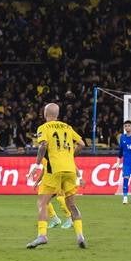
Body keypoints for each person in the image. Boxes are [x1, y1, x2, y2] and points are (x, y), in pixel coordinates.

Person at [25, 103, 86, 249]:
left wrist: (37, 165)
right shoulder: (67, 127)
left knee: (42, 203)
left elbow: (43, 145)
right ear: (57, 114)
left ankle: (42, 235)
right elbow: (82, 144)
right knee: (72, 205)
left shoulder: (43, 128)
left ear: (45, 114)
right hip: (70, 169)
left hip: (54, 170)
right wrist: (69, 156)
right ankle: (80, 236)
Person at [117, 120, 131, 205]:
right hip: (126, 163)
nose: (127, 127)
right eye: (125, 126)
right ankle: (125, 197)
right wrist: (118, 161)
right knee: (125, 179)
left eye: (129, 126)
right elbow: (121, 150)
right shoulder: (122, 137)